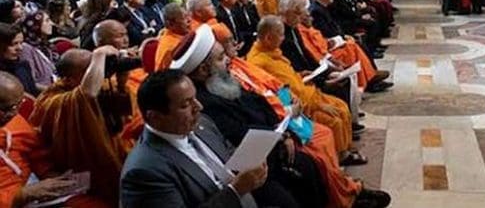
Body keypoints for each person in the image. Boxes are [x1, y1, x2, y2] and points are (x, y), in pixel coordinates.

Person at [170, 26, 326, 207]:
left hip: (274, 148)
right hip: (252, 170)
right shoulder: (204, 103)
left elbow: (259, 102)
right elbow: (239, 133)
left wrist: (282, 133)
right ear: (204, 69)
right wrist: (278, 136)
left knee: (309, 166)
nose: (229, 60)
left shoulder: (224, 81)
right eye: (221, 58)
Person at [121, 69, 292, 208]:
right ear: (155, 117)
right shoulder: (144, 171)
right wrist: (236, 190)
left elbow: (229, 155)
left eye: (195, 98)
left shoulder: (203, 123)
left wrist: (251, 165)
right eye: (185, 105)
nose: (199, 107)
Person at [30, 46, 129, 207]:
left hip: (112, 157)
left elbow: (123, 117)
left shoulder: (98, 85)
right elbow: (86, 95)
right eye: (90, 69)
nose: (99, 72)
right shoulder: (53, 101)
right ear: (69, 79)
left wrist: (121, 81)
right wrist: (98, 55)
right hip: (77, 173)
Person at [247, 16, 358, 158]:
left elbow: (286, 76)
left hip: (309, 92)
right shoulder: (258, 62)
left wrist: (299, 75)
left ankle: (345, 149)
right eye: (280, 34)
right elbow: (281, 91)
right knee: (334, 119)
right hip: (304, 106)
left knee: (342, 106)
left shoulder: (272, 51)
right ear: (268, 38)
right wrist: (318, 106)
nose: (283, 38)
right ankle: (339, 155)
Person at [0, 71, 105, 208]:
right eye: (7, 109)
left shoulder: (15, 122)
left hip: (31, 188)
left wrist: (49, 175)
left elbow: (36, 153)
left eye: (18, 105)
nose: (13, 113)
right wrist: (24, 194)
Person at [18, 11, 57, 92]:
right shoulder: (26, 49)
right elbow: (31, 83)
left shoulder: (45, 46)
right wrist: (54, 91)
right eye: (47, 20)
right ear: (35, 25)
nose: (52, 23)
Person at [0, 23, 38, 96]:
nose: (20, 48)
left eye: (21, 43)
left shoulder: (23, 65)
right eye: (14, 44)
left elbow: (33, 93)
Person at [154, 3, 192, 71]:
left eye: (188, 16)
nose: (189, 20)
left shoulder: (180, 32)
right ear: (171, 24)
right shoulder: (170, 49)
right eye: (184, 18)